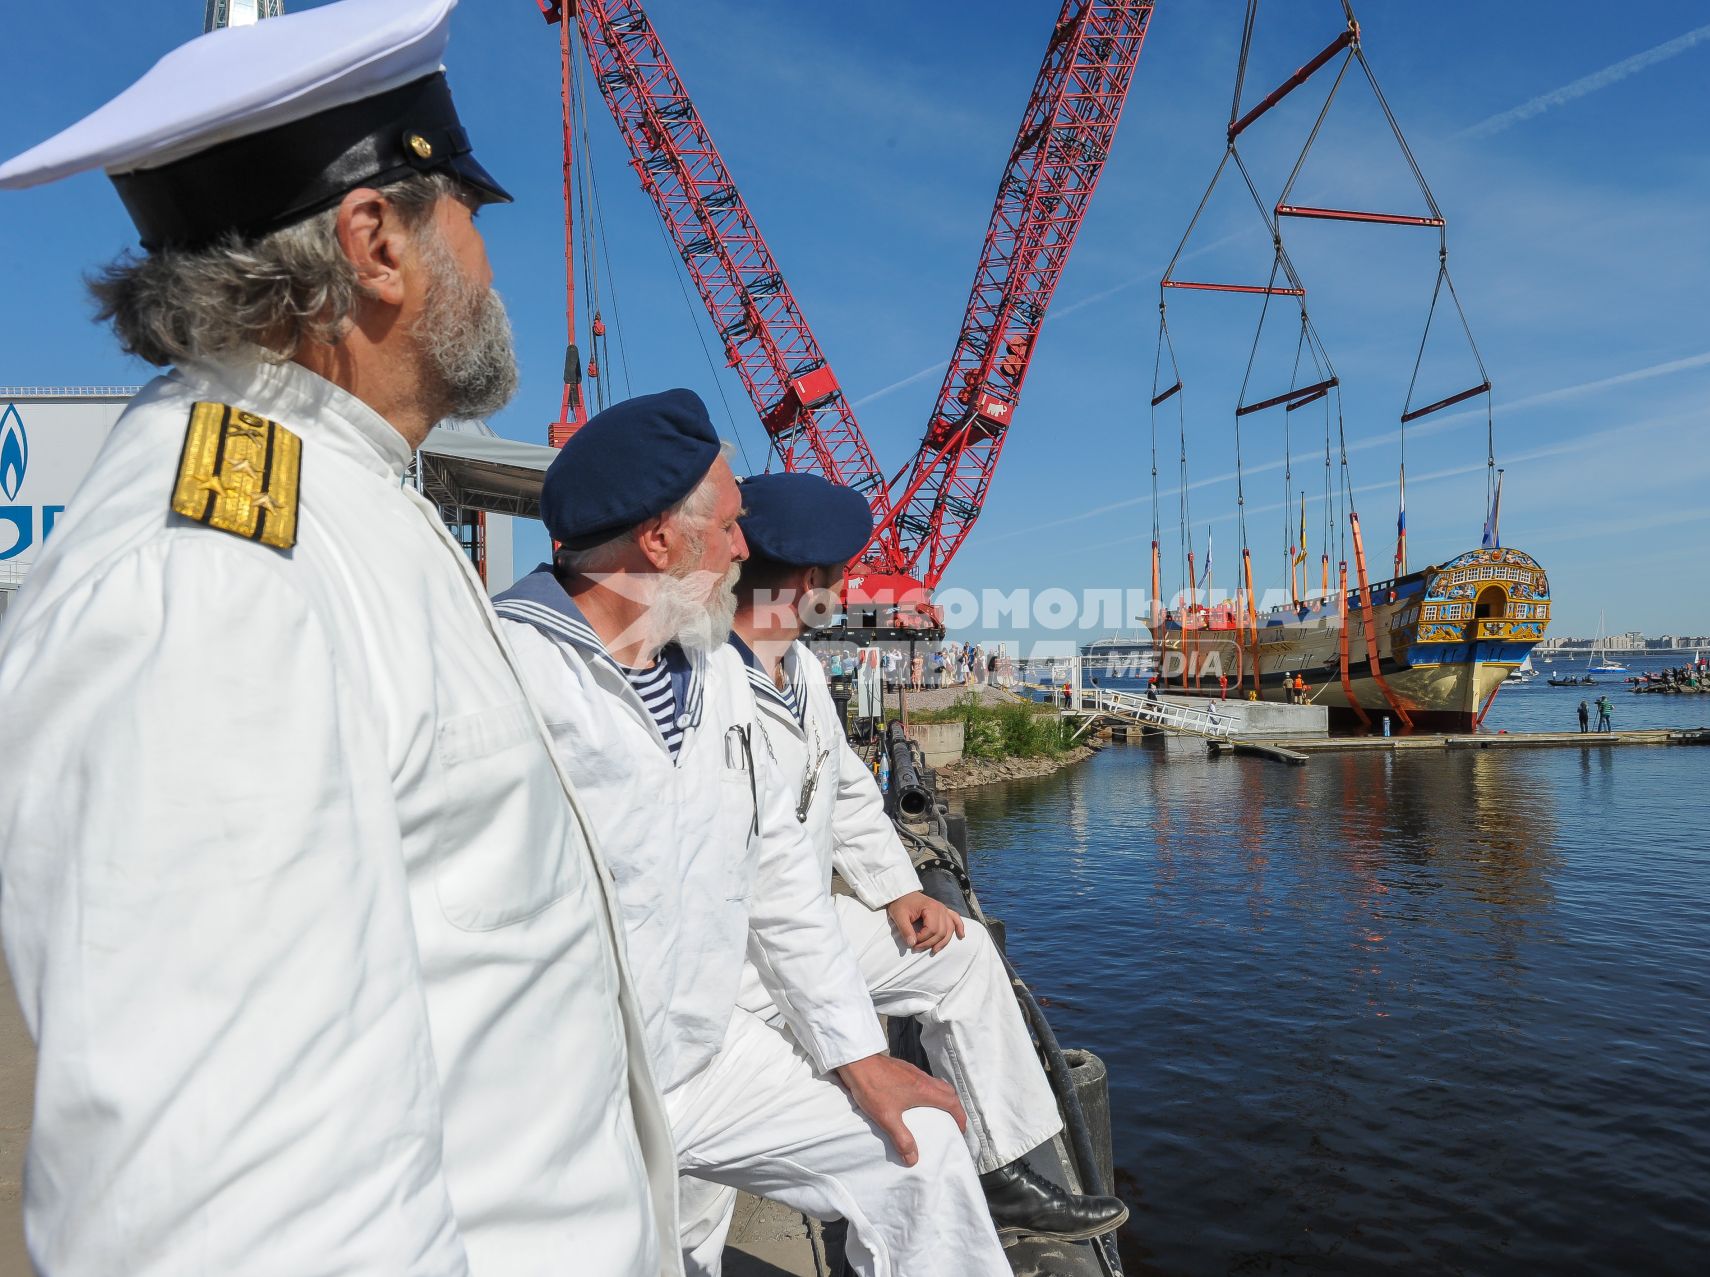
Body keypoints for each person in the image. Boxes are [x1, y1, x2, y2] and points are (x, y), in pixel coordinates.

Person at [0, 3, 677, 1271]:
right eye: (467, 208)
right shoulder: (210, 584)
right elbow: (240, 1224)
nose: (487, 258)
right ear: (376, 241)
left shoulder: (339, 502)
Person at [494, 392, 1012, 1277]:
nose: (745, 546)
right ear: (659, 541)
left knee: (918, 1149)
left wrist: (859, 1057)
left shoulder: (706, 671)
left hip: (701, 1050)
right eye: (730, 525)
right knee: (667, 1247)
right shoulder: (505, 671)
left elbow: (778, 876)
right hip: (566, 1086)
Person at [715, 471, 1128, 1257]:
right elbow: (768, 898)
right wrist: (858, 1056)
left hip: (804, 922)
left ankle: (1003, 1169)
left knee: (963, 954)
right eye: (841, 575)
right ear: (810, 581)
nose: (846, 590)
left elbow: (843, 786)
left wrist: (900, 889)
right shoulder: (710, 689)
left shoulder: (796, 668)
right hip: (734, 969)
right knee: (693, 1221)